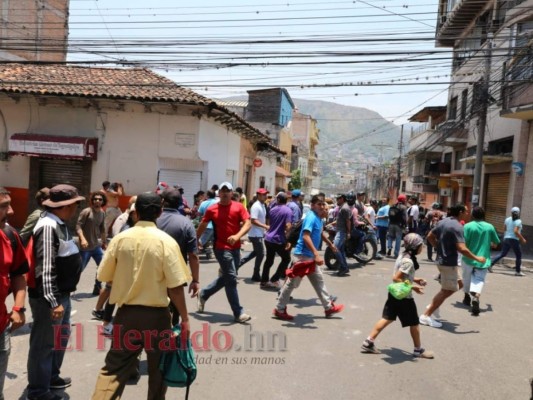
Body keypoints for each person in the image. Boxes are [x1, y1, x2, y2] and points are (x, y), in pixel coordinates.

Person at [91, 192, 191, 400]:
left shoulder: (120, 239)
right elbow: (175, 287)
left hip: (126, 315)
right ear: (160, 212)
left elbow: (104, 276)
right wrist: (185, 319)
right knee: (158, 371)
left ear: (135, 213)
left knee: (113, 370)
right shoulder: (167, 242)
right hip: (158, 317)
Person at [27, 184, 85, 400]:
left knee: (58, 339)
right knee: (44, 344)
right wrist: (53, 302)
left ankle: (51, 377)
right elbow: (45, 268)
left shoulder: (60, 224)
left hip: (63, 294)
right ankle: (38, 391)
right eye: (75, 204)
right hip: (50, 298)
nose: (76, 208)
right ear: (66, 206)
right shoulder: (48, 226)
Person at [361, 233, 434, 359]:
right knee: (414, 323)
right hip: (404, 296)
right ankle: (418, 350)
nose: (422, 248)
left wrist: (415, 280)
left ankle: (368, 342)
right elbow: (396, 278)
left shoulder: (403, 255)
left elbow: (403, 275)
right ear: (414, 246)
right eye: (421, 246)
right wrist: (412, 287)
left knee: (387, 318)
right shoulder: (409, 261)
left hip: (394, 294)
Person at [273, 195, 343, 321]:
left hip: (309, 257)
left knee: (318, 281)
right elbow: (306, 236)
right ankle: (279, 309)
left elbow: (320, 233)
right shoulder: (311, 217)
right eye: (319, 204)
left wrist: (330, 244)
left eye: (323, 204)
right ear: (312, 205)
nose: (322, 206)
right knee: (292, 283)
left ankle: (328, 307)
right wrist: (316, 253)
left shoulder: (318, 218)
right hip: (303, 256)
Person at [419, 203, 486, 328]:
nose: (468, 214)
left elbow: (430, 236)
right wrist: (478, 258)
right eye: (466, 211)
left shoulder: (443, 222)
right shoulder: (457, 226)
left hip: (444, 261)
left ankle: (434, 305)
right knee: (446, 290)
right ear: (460, 212)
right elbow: (462, 248)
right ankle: (426, 315)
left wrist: (438, 248)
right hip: (448, 263)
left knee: (460, 284)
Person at [196, 182, 252, 323]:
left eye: (228, 190)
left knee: (228, 277)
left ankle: (203, 294)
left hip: (236, 248)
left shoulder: (238, 207)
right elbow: (203, 224)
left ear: (232, 193)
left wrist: (237, 236)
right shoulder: (212, 209)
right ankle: (238, 312)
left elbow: (248, 223)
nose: (225, 193)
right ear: (219, 193)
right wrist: (196, 240)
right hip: (221, 248)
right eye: (223, 190)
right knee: (231, 278)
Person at [0, 188, 29, 400]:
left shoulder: (10, 236)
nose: (10, 211)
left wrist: (18, 307)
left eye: (9, 204)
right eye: (3, 206)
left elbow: (19, 274)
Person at [156, 188, 200, 323]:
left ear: (162, 202)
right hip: (176, 273)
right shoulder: (186, 223)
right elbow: (193, 254)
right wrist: (195, 280)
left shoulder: (153, 220)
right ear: (181, 203)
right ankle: (173, 330)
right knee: (175, 305)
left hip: (152, 270)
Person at [461, 207, 500, 316]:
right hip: (483, 260)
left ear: (473, 215)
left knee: (466, 278)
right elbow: (496, 243)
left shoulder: (467, 226)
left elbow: (462, 241)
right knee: (479, 279)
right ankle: (476, 296)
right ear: (483, 215)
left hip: (468, 257)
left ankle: (466, 297)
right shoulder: (490, 227)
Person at [76, 192, 107, 296]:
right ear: (92, 200)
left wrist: (104, 242)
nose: (97, 201)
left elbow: (102, 228)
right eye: (95, 199)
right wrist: (83, 239)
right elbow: (78, 226)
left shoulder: (102, 213)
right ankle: (67, 286)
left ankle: (97, 286)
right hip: (85, 248)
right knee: (80, 269)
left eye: (100, 199)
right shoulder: (86, 212)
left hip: (96, 246)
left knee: (102, 266)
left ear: (103, 201)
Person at [260, 192, 293, 289]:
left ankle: (264, 281)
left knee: (269, 260)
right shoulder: (288, 211)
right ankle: (274, 279)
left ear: (278, 200)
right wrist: (288, 237)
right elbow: (288, 226)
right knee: (286, 259)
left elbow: (270, 222)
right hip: (278, 239)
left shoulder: (272, 209)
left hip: (268, 238)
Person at [239, 188, 269, 281]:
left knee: (255, 253)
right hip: (255, 234)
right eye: (263, 194)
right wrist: (265, 226)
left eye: (266, 194)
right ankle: (256, 274)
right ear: (258, 195)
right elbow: (253, 220)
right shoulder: (256, 206)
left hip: (259, 233)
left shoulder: (263, 205)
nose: (265, 196)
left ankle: (237, 265)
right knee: (261, 254)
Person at [491, 207, 527, 276]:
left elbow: (504, 229)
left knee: (503, 254)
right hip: (514, 240)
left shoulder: (507, 219)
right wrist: (522, 239)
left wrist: (508, 233)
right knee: (518, 255)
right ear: (519, 213)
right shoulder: (518, 221)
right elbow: (516, 231)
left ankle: (490, 264)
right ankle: (518, 271)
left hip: (506, 238)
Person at [332, 194, 352, 277]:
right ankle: (345, 267)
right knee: (341, 251)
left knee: (335, 248)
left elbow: (348, 221)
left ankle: (343, 267)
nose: (337, 200)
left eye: (338, 198)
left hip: (342, 232)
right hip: (340, 231)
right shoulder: (343, 207)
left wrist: (348, 232)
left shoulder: (344, 208)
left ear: (342, 199)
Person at [197, 190, 217, 260]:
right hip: (215, 225)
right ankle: (194, 250)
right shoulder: (217, 202)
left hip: (205, 224)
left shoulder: (203, 203)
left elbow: (199, 213)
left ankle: (194, 249)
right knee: (212, 240)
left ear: (207, 195)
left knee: (202, 240)